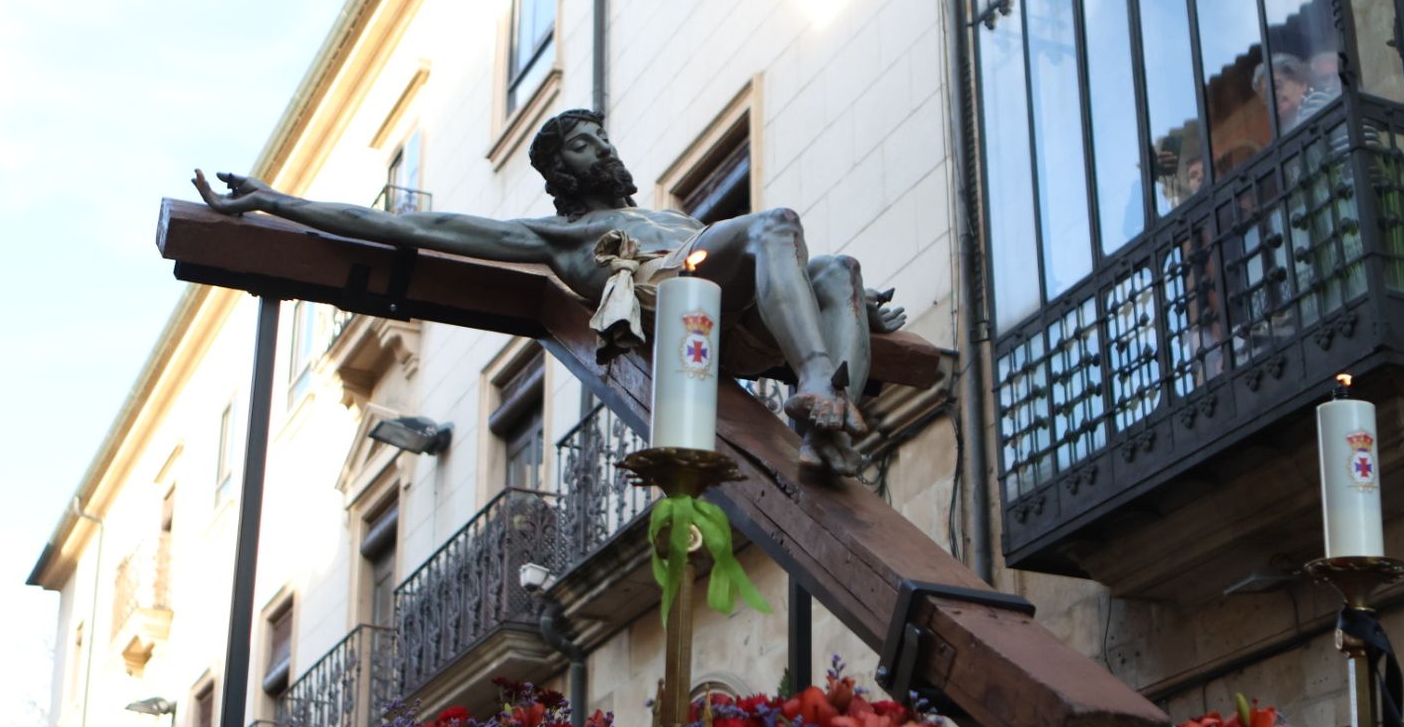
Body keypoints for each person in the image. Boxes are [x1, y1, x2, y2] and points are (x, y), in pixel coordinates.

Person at [194, 108, 906, 476]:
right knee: (775, 223)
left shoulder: (668, 217)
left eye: (600, 136)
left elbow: (778, 271)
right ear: (557, 174)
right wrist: (279, 204)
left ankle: (826, 411)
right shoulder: (557, 237)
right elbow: (414, 227)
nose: (600, 148)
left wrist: (851, 310)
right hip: (672, 306)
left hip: (729, 316)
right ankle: (817, 391)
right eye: (581, 145)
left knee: (840, 270)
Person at [1252, 52, 1333, 133]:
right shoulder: (1286, 130)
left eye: (1277, 86)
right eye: (1267, 96)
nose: (1274, 97)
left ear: (1301, 83)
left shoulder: (1315, 100)